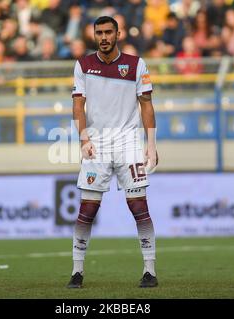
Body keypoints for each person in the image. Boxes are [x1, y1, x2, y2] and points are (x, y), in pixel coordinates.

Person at [68, 16, 158, 289]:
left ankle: (149, 271)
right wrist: (83, 139)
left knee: (139, 206)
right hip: (98, 144)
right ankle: (77, 271)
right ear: (94, 35)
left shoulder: (136, 64)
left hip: (129, 143)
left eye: (109, 32)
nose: (104, 37)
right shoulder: (83, 65)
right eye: (99, 33)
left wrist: (151, 144)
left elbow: (146, 104)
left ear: (118, 33)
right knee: (87, 210)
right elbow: (77, 106)